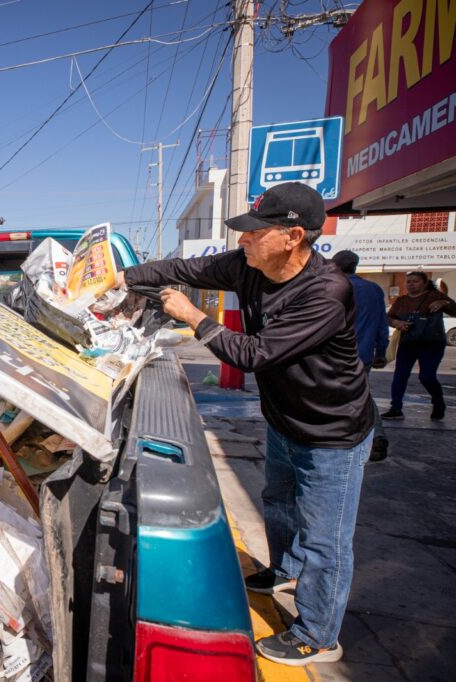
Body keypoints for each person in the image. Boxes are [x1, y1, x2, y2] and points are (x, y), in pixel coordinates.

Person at [115, 182, 373, 666]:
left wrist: (193, 316)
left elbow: (255, 354)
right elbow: (181, 267)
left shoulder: (325, 292)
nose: (243, 240)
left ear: (292, 236)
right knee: (277, 501)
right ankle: (284, 570)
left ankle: (317, 635)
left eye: (255, 232)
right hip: (285, 419)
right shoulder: (247, 266)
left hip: (333, 433)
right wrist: (118, 278)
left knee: (325, 536)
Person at [331, 250, 390, 461]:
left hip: (334, 355)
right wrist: (381, 351)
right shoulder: (373, 290)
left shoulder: (331, 287)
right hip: (363, 354)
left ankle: (368, 436)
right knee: (360, 395)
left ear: (336, 265)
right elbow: (382, 325)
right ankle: (374, 436)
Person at [381, 271, 456, 421]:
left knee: (427, 376)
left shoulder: (435, 296)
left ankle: (438, 403)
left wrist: (445, 303)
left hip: (432, 343)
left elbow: (454, 310)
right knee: (400, 376)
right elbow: (389, 317)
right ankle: (396, 408)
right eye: (408, 281)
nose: (411, 284)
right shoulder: (402, 301)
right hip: (408, 342)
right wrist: (397, 323)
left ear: (424, 283)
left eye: (415, 281)